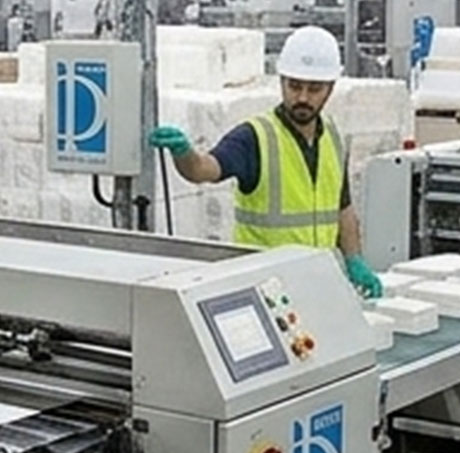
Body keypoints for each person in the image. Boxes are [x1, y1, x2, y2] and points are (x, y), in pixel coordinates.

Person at [146, 26, 384, 299]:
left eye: (314, 89)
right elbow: (203, 169)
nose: (302, 97)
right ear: (281, 82)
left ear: (330, 88)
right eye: (294, 86)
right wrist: (184, 154)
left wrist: (354, 258)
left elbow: (343, 208)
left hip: (319, 286)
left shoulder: (333, 138)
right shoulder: (255, 137)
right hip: (266, 292)